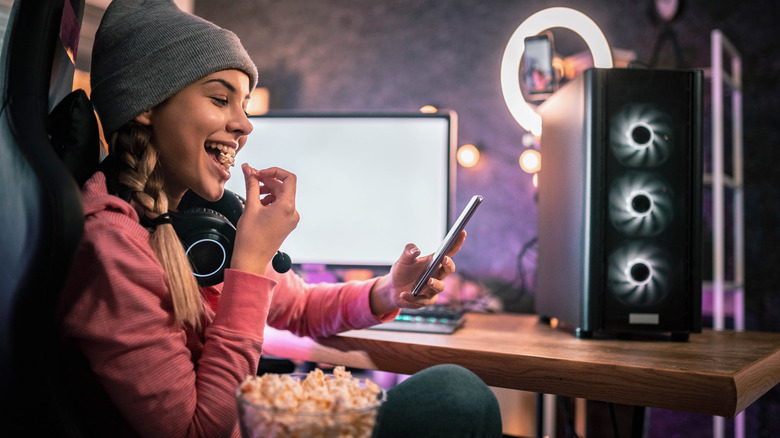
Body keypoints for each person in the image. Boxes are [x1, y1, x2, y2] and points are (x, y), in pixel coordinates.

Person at [56, 1, 502, 437]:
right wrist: (249, 263)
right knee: (457, 396)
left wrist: (390, 289)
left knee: (454, 393)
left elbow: (302, 308)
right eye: (219, 98)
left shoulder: (201, 218)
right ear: (147, 104)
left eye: (244, 104)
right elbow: (200, 430)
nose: (245, 125)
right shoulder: (112, 247)